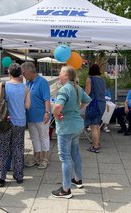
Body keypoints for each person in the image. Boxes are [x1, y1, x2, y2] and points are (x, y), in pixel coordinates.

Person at [52, 65, 91, 199]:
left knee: (65, 158)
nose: (59, 75)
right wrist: (76, 110)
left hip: (66, 127)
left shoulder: (65, 89)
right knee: (75, 153)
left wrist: (56, 114)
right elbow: (87, 101)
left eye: (61, 73)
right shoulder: (77, 88)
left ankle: (65, 189)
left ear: (67, 76)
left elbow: (57, 106)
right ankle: (78, 180)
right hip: (76, 125)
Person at [0, 63, 31, 187]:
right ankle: (19, 175)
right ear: (20, 73)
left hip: (5, 122)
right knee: (18, 148)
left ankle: (1, 177)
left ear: (9, 73)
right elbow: (27, 106)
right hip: (20, 122)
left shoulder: (3, 85)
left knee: (3, 149)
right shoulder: (25, 88)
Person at [21, 62, 51, 169]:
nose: (23, 75)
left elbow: (46, 98)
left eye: (24, 73)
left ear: (30, 71)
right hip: (30, 116)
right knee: (34, 137)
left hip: (41, 115)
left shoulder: (42, 82)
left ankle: (45, 158)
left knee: (43, 137)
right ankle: (37, 157)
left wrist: (47, 112)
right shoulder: (28, 83)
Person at [84, 64, 106, 153]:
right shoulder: (102, 80)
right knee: (97, 125)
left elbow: (87, 92)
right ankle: (97, 143)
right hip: (102, 103)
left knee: (93, 126)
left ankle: (95, 146)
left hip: (94, 104)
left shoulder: (90, 79)